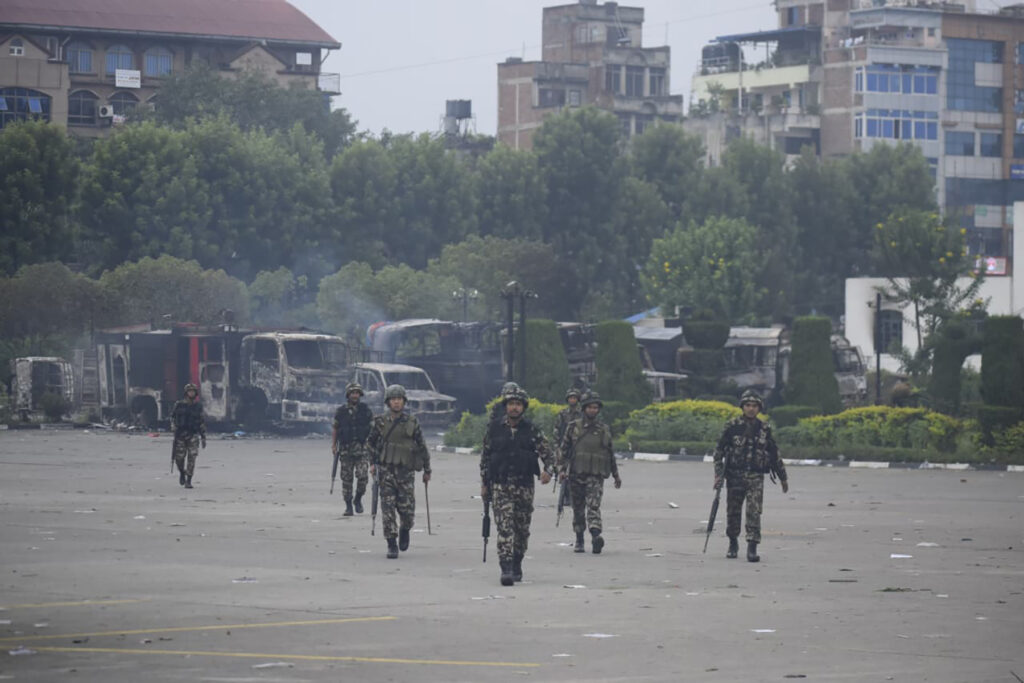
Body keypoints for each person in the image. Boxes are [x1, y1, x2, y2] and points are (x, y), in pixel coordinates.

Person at [480, 386, 555, 586]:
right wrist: (484, 484)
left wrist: (548, 471)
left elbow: (548, 454)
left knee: (521, 529)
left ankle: (516, 563)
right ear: (506, 406)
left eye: (518, 404)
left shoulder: (532, 430)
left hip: (524, 485)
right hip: (500, 485)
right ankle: (505, 569)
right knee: (505, 527)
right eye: (511, 404)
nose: (514, 408)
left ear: (523, 407)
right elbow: (486, 458)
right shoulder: (494, 429)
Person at [712, 390, 789, 563]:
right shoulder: (732, 426)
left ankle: (752, 547)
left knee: (754, 511)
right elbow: (718, 452)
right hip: (734, 476)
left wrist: (783, 478)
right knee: (733, 512)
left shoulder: (764, 429)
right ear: (742, 407)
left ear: (759, 408)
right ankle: (733, 543)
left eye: (754, 406)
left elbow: (774, 453)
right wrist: (718, 475)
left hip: (755, 477)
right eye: (748, 405)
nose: (751, 409)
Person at [366, 384, 431, 559]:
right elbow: (370, 443)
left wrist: (427, 469)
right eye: (393, 399)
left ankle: (405, 529)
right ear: (388, 402)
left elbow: (422, 446)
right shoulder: (380, 422)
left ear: (404, 402)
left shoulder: (412, 422)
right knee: (387, 509)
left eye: (399, 399)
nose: (396, 402)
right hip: (386, 471)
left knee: (407, 510)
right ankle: (391, 543)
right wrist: (372, 463)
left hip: (406, 473)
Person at [559, 391, 621, 554]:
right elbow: (564, 451)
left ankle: (595, 536)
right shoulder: (573, 427)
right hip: (576, 474)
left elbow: (610, 453)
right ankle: (579, 539)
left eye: (596, 408)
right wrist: (561, 470)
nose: (593, 410)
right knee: (578, 508)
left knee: (593, 505)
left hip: (595, 475)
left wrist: (616, 475)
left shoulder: (604, 429)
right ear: (584, 408)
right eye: (590, 407)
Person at [332, 382, 373, 516]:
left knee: (363, 478)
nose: (355, 395)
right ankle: (348, 506)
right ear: (348, 395)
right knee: (346, 479)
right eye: (352, 393)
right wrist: (333, 445)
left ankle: (358, 499)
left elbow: (373, 429)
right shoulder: (341, 411)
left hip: (361, 449)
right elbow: (335, 428)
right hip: (346, 450)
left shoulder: (365, 410)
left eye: (357, 393)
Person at [171, 383, 206, 489]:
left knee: (192, 457)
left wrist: (203, 437)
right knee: (179, 458)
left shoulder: (198, 406)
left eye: (193, 391)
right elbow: (172, 417)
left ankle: (188, 480)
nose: (191, 393)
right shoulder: (179, 404)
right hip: (180, 435)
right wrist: (173, 428)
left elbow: (201, 421)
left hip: (193, 435)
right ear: (186, 392)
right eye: (190, 391)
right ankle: (182, 472)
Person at [552, 387, 582, 460]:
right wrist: (557, 447)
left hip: (579, 448)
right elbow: (556, 430)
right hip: (564, 447)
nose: (572, 400)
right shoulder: (563, 414)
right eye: (570, 398)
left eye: (574, 398)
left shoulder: (582, 414)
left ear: (578, 399)